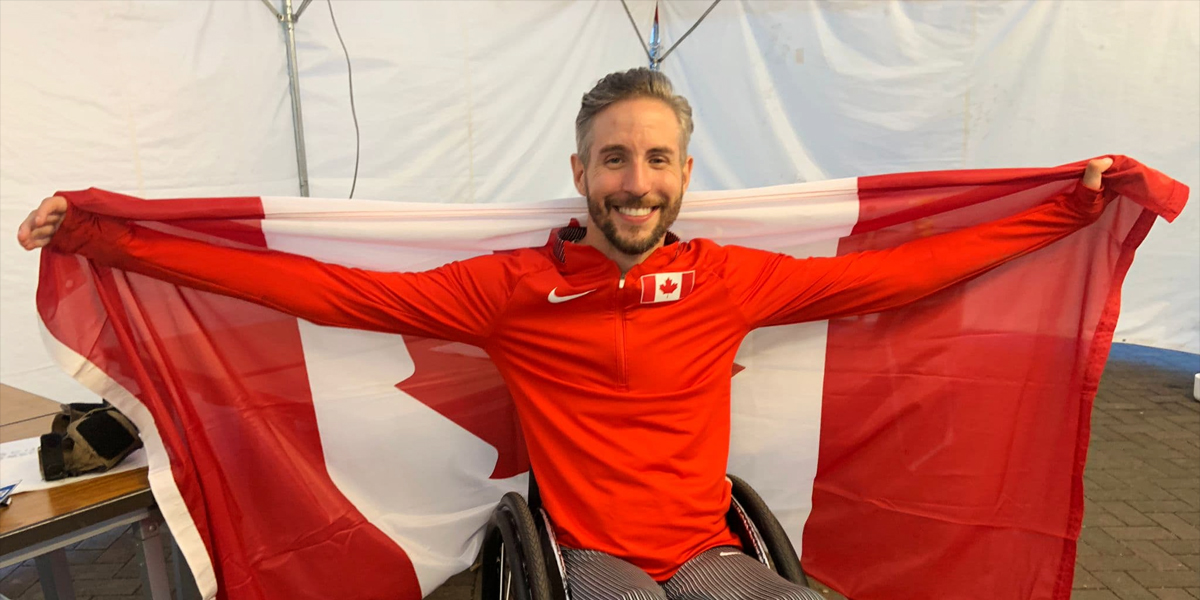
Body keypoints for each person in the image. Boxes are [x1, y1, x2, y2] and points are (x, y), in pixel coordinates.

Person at [18, 68, 1112, 600]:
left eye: (656, 161)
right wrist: (117, 241)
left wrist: (1069, 209)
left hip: (708, 554)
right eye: (614, 160)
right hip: (592, 559)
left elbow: (906, 270)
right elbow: (324, 291)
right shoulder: (509, 288)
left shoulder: (729, 281)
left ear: (686, 174)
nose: (635, 184)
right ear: (580, 172)